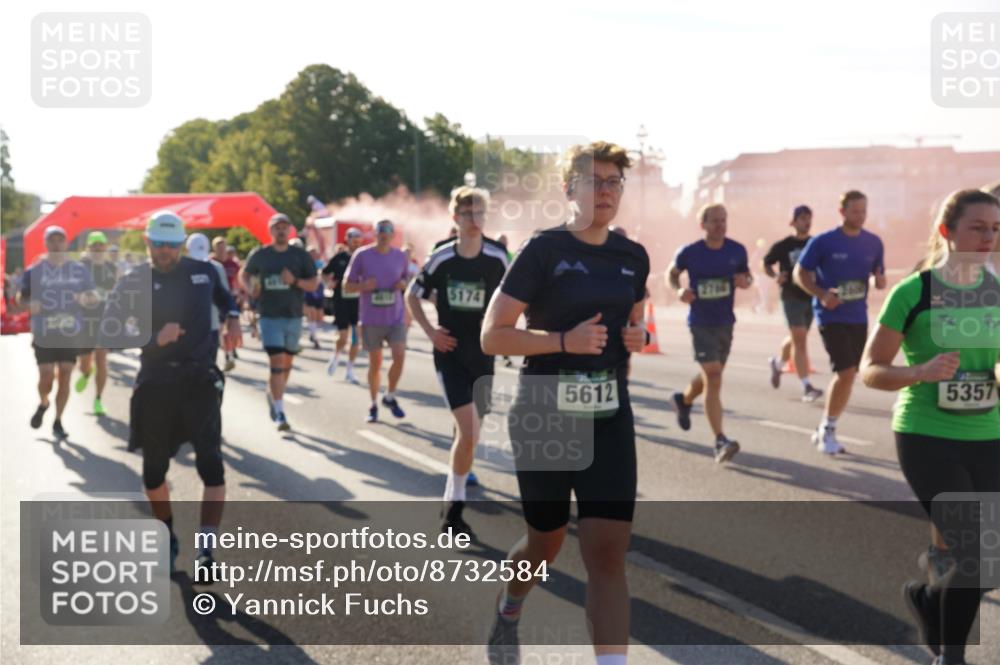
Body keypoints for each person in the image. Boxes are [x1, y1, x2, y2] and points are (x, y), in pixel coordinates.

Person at [481, 141, 649, 665]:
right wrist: (561, 342)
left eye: (613, 182)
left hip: (607, 414)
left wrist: (636, 336)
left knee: (607, 555)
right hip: (545, 411)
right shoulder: (544, 250)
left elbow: (634, 323)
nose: (604, 192)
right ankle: (510, 606)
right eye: (593, 181)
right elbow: (493, 336)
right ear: (568, 188)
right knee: (544, 546)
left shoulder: (632, 255)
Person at [861, 189, 999, 665]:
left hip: (989, 437)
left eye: (995, 229)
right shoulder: (914, 292)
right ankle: (952, 657)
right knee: (977, 555)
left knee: (987, 560)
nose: (988, 238)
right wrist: (920, 371)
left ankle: (926, 600)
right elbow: (872, 369)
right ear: (948, 231)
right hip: (927, 435)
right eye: (977, 227)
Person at [100, 211, 242, 578]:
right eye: (158, 244)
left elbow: (227, 301)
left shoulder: (204, 271)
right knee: (153, 473)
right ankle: (166, 534)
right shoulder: (134, 280)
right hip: (156, 384)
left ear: (182, 244)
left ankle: (207, 551)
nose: (165, 251)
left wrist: (234, 319)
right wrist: (152, 339)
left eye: (171, 245)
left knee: (211, 465)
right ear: (147, 242)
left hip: (199, 381)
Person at [406, 186, 509, 536]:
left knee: (469, 431)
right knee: (469, 430)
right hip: (449, 352)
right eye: (467, 214)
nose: (474, 219)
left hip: (483, 354)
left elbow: (517, 296)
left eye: (480, 213)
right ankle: (453, 509)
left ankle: (458, 482)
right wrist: (431, 332)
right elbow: (412, 295)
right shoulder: (442, 258)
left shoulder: (498, 257)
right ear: (455, 218)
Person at [794, 190, 886, 454]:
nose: (860, 216)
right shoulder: (824, 241)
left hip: (858, 315)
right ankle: (828, 430)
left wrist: (878, 282)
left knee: (849, 375)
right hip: (830, 316)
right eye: (855, 211)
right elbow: (801, 273)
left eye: (864, 211)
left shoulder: (874, 242)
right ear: (842, 212)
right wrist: (821, 294)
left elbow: (877, 275)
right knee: (845, 372)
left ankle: (825, 425)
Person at [666, 203, 752, 463]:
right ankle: (720, 440)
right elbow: (672, 274)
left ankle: (684, 399)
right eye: (714, 220)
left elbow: (747, 279)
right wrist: (679, 291)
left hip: (725, 322)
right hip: (700, 321)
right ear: (702, 224)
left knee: (711, 376)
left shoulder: (737, 250)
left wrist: (744, 282)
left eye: (723, 220)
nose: (720, 225)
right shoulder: (690, 252)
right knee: (713, 377)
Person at [240, 213, 319, 431]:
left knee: (286, 364)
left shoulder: (300, 255)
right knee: (276, 362)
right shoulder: (261, 255)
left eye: (285, 227)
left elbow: (313, 284)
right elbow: (244, 275)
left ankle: (274, 394)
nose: (281, 231)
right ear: (270, 231)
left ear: (290, 230)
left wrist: (294, 281)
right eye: (277, 227)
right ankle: (280, 411)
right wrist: (250, 288)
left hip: (293, 315)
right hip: (269, 315)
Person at [19, 226, 99, 439]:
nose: (56, 244)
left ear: (66, 243)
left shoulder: (79, 270)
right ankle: (44, 403)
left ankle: (58, 420)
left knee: (65, 374)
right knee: (46, 376)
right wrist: (29, 304)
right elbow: (21, 298)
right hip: (44, 332)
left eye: (60, 240)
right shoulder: (34, 271)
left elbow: (94, 296)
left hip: (70, 332)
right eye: (52, 241)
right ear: (46, 244)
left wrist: (85, 299)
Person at [344, 219, 410, 422]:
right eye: (380, 231)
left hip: (395, 316)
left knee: (399, 355)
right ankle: (373, 404)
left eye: (388, 231)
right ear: (375, 234)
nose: (384, 234)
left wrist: (403, 284)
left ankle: (389, 395)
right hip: (371, 318)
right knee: (375, 363)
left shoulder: (400, 256)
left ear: (393, 235)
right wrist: (364, 285)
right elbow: (347, 286)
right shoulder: (362, 255)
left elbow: (407, 281)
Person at [763, 205, 824, 401]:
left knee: (798, 336)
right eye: (802, 218)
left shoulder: (816, 243)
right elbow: (766, 262)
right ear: (793, 221)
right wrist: (775, 275)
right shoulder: (784, 245)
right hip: (791, 295)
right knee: (800, 338)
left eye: (809, 218)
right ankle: (806, 386)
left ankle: (778, 363)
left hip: (811, 295)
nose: (806, 222)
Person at [75, 231, 118, 416]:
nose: (98, 248)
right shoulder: (80, 267)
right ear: (89, 248)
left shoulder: (111, 267)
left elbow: (116, 292)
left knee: (102, 360)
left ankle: (98, 400)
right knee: (84, 364)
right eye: (94, 245)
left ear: (105, 247)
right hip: (84, 320)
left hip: (104, 320)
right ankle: (86, 372)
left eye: (101, 245)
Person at [322, 228, 364, 382]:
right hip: (341, 301)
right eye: (354, 239)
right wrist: (328, 283)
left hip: (359, 303)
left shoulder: (365, 257)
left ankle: (350, 370)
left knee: (355, 339)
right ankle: (336, 355)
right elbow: (324, 272)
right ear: (348, 240)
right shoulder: (339, 257)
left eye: (359, 239)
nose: (357, 242)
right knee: (343, 336)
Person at [186, 233, 232, 363]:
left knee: (209, 365)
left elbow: (225, 297)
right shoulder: (181, 268)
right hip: (187, 328)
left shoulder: (216, 268)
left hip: (211, 324)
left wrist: (225, 320)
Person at [213, 237, 241, 371]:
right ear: (214, 249)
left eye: (223, 247)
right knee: (219, 330)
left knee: (230, 328)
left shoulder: (233, 264)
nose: (221, 250)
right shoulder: (209, 263)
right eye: (219, 248)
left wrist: (241, 292)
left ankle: (229, 353)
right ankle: (225, 354)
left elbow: (239, 277)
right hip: (215, 302)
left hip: (231, 299)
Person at [304, 246, 326, 350]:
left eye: (314, 252)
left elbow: (325, 275)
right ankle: (314, 337)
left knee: (319, 317)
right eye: (311, 253)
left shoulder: (320, 263)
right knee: (311, 314)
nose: (313, 254)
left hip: (319, 291)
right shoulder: (304, 264)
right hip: (309, 291)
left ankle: (312, 333)